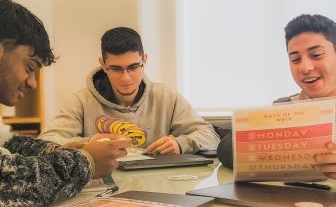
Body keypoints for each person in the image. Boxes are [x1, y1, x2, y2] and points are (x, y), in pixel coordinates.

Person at [0, 0, 131, 207]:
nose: (33, 83)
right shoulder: (81, 99)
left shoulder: (167, 95)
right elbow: (8, 184)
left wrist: (60, 150)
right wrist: (86, 161)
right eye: (29, 67)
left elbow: (8, 145)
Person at [217, 14, 336, 188]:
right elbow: (227, 149)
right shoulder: (284, 108)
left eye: (316, 55)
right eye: (295, 59)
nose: (305, 68)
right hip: (288, 204)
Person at [39, 27, 220, 155]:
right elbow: (45, 142)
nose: (126, 78)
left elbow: (210, 137)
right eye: (116, 69)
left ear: (145, 60)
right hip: (104, 189)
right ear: (103, 64)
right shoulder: (81, 101)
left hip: (157, 187)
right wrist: (88, 145)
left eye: (133, 67)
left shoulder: (166, 97)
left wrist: (180, 144)